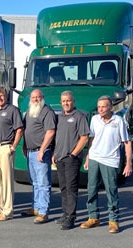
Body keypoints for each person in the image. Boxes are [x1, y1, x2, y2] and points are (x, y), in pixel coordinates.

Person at [80, 95, 132, 233]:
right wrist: (88, 158)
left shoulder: (118, 121)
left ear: (110, 107)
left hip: (110, 160)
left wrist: (128, 164)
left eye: (103, 106)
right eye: (99, 107)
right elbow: (92, 139)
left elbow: (126, 143)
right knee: (91, 189)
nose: (101, 109)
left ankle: (113, 220)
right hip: (95, 159)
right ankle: (93, 218)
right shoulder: (95, 120)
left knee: (111, 191)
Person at [53, 90, 89, 230]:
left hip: (71, 159)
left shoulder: (79, 116)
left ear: (73, 101)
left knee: (71, 188)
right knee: (63, 187)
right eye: (63, 101)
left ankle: (71, 217)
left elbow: (84, 137)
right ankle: (65, 213)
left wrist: (73, 154)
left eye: (68, 100)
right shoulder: (59, 117)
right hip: (60, 157)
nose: (66, 103)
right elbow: (57, 137)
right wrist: (55, 153)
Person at [21, 89, 56, 224]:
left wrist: (42, 150)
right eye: (33, 97)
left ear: (42, 98)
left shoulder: (47, 112)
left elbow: (50, 132)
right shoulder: (30, 111)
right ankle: (35, 207)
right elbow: (26, 130)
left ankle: (43, 212)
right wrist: (25, 146)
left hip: (41, 152)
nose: (35, 99)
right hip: (30, 151)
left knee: (43, 183)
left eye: (38, 97)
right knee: (34, 182)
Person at [0, 87, 23, 221]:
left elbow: (19, 129)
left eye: (1, 96)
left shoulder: (13, 110)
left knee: (7, 181)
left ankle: (8, 211)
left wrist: (13, 146)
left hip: (6, 147)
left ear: (6, 96)